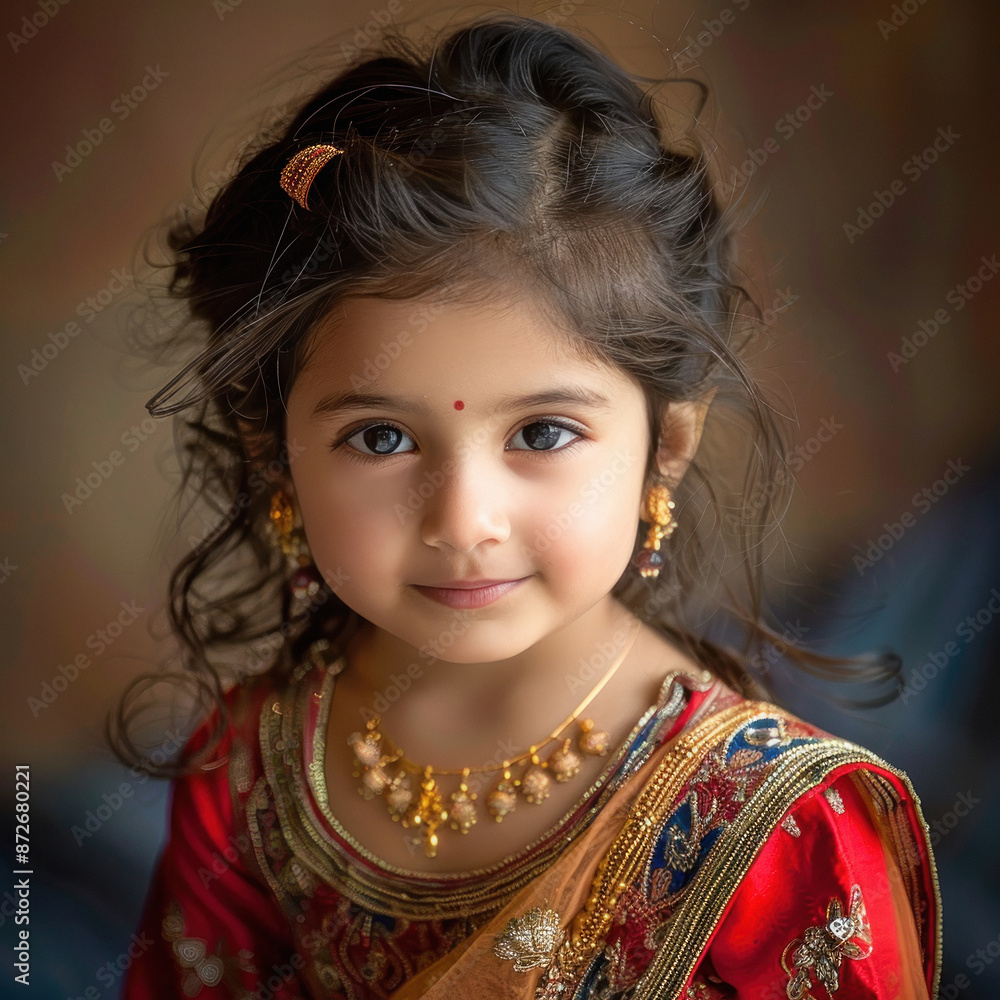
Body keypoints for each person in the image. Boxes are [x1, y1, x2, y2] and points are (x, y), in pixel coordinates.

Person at [116, 11, 940, 999]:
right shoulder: (252, 771)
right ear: (275, 456)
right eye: (380, 437)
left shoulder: (774, 829)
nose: (464, 520)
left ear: (663, 447)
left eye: (542, 433)